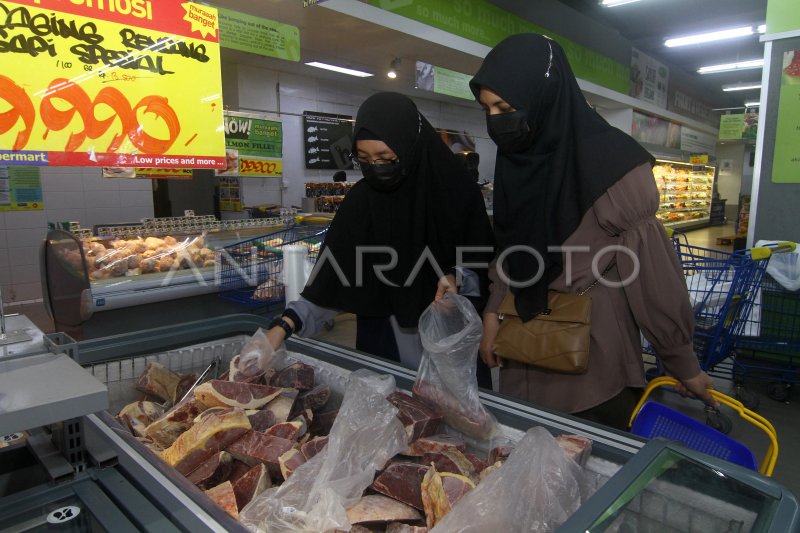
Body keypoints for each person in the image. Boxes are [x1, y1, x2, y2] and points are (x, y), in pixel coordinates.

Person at [468, 34, 717, 430]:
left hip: (593, 367)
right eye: (488, 109)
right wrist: (493, 312)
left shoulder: (614, 163)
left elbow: (652, 277)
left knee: (590, 473)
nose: (497, 120)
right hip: (523, 352)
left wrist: (681, 362)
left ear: (545, 95)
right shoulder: (519, 161)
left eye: (506, 106)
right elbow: (512, 246)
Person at [265, 92, 495, 387]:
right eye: (364, 160)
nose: (375, 168)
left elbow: (483, 263)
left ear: (410, 145)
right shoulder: (361, 203)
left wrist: (458, 278)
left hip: (451, 351)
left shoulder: (457, 194)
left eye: (386, 159)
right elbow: (331, 280)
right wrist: (283, 326)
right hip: (383, 349)